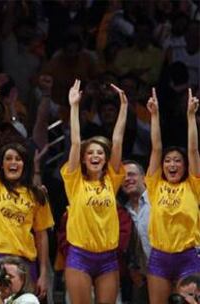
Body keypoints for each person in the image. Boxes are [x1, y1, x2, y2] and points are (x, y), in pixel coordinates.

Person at [0, 82, 54, 299]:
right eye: (8, 159)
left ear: (25, 165)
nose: (13, 162)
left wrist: (43, 274)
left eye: (18, 159)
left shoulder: (36, 194)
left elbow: (41, 237)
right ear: (1, 165)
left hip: (24, 263)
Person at [61, 79, 128, 303]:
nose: (95, 156)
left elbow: (117, 141)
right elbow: (75, 142)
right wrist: (74, 107)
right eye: (90, 153)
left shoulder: (112, 180)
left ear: (105, 158)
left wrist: (124, 108)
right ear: (83, 159)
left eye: (100, 153)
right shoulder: (74, 180)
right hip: (80, 255)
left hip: (108, 257)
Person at [145, 88, 200, 304]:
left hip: (188, 257)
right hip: (159, 257)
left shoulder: (193, 185)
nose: (172, 164)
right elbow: (156, 148)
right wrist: (154, 115)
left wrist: (190, 116)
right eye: (168, 161)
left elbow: (193, 150)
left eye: (178, 160)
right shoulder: (154, 184)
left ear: (185, 166)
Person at [121, 160, 151, 303]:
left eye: (132, 174)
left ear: (144, 177)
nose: (127, 179)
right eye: (123, 177)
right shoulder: (122, 211)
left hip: (173, 268)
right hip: (140, 277)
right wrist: (132, 269)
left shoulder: (159, 199)